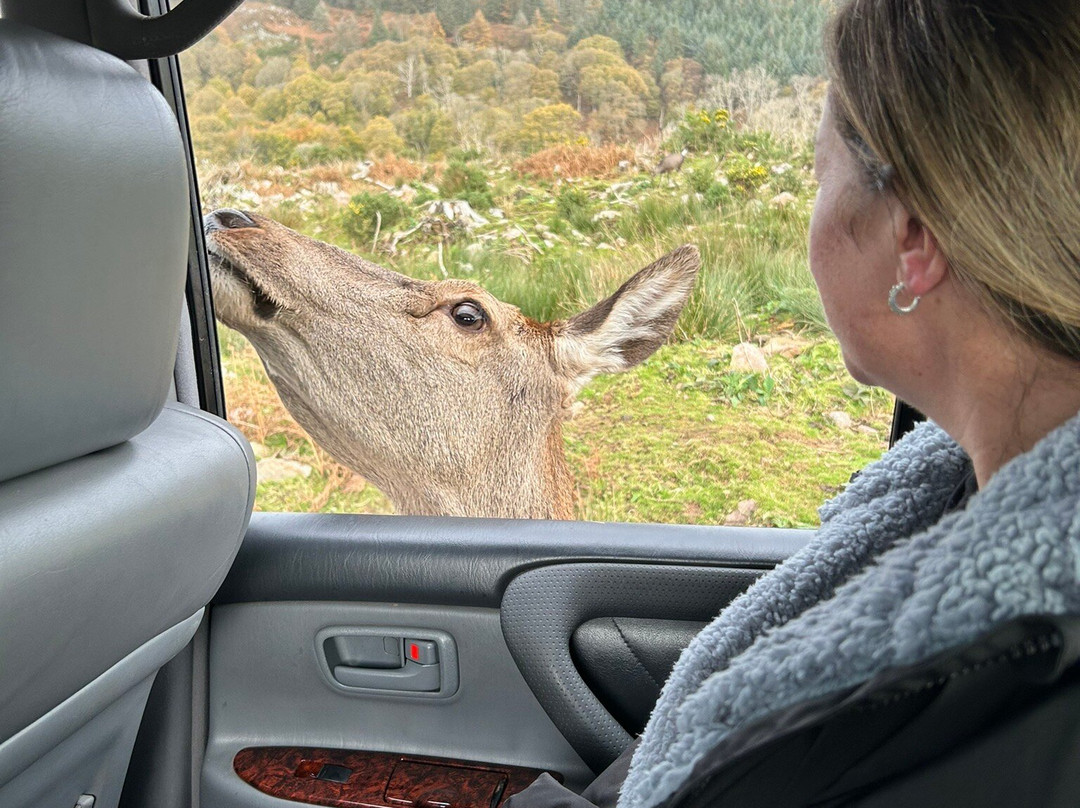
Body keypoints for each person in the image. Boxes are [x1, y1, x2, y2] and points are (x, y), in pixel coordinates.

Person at [506, 1, 1080, 806]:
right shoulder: (967, 502)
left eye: (819, 176)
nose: (811, 212)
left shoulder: (990, 689)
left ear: (912, 238)